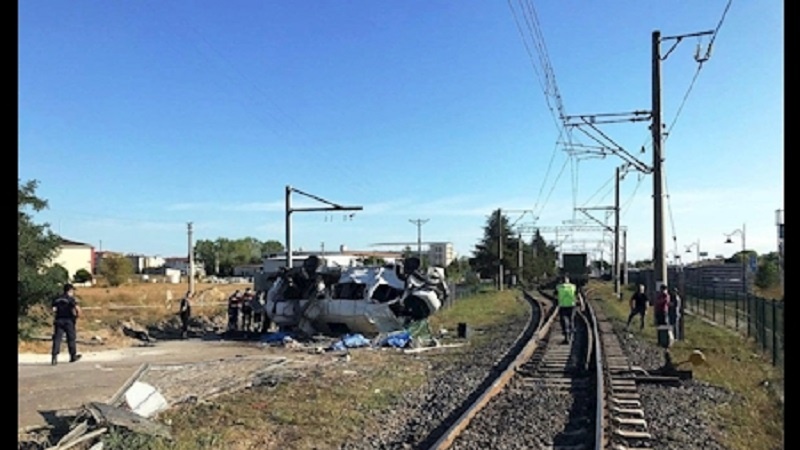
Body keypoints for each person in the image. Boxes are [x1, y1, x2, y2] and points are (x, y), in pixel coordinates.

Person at [51, 283, 82, 365]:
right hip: (68, 320)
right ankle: (72, 356)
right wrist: (77, 317)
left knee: (57, 339)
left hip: (58, 320)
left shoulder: (57, 299)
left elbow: (53, 309)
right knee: (71, 339)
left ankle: (54, 357)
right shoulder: (70, 299)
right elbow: (77, 309)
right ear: (70, 290)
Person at [555, 275, 582, 343]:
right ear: (568, 280)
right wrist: (582, 304)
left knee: (564, 322)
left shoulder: (559, 287)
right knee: (571, 320)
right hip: (572, 305)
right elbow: (578, 295)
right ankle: (572, 336)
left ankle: (567, 337)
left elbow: (555, 295)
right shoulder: (573, 286)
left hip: (563, 306)